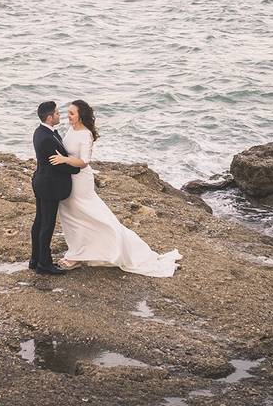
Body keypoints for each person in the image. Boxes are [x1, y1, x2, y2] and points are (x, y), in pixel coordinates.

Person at [50, 100, 182, 277]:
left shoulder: (86, 134)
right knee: (71, 217)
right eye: (68, 112)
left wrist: (64, 160)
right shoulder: (71, 130)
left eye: (72, 113)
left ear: (80, 115)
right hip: (68, 178)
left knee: (90, 215)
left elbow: (84, 162)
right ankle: (79, 251)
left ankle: (111, 246)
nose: (68, 115)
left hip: (81, 181)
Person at [30, 101, 79, 275]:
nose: (60, 115)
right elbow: (58, 165)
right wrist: (75, 167)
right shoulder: (46, 138)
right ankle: (44, 263)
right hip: (49, 185)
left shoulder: (41, 132)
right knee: (46, 225)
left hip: (42, 182)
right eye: (57, 113)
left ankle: (35, 259)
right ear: (50, 117)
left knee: (39, 222)